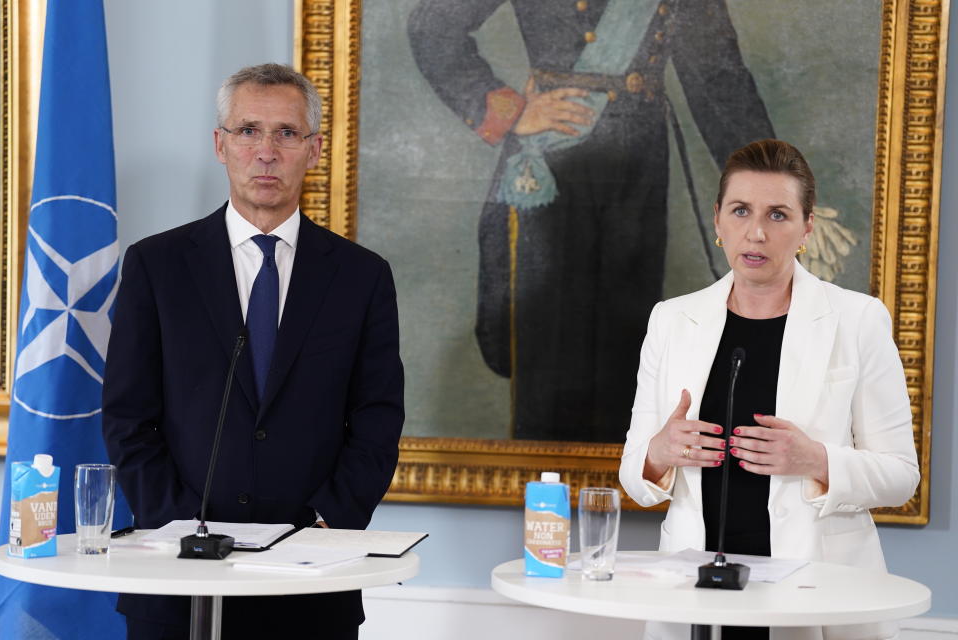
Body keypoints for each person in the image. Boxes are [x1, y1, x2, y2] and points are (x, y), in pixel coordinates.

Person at [102, 63, 404, 640]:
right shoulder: (157, 266)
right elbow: (126, 417)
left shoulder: (362, 278)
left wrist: (324, 522)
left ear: (313, 149)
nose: (266, 152)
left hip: (310, 583)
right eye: (248, 131)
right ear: (221, 145)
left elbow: (377, 419)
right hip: (177, 578)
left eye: (286, 134)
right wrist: (178, 522)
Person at [408, 0, 774, 442]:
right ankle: (547, 507)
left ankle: (612, 499)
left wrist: (774, 187)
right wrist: (513, 111)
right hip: (553, 169)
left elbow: (718, 77)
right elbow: (433, 26)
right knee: (547, 355)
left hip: (636, 173)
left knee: (626, 357)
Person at [619, 139, 919, 640]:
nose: (756, 232)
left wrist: (817, 460)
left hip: (817, 589)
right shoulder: (671, 320)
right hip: (695, 591)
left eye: (777, 214)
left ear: (806, 227)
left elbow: (900, 476)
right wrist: (659, 452)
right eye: (741, 211)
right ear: (718, 221)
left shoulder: (858, 320)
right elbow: (635, 475)